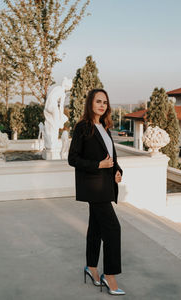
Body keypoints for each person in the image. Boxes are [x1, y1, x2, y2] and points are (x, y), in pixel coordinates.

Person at [68, 89, 125, 296]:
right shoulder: (83, 127)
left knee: (96, 229)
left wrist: (117, 171)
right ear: (90, 103)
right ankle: (109, 276)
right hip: (93, 188)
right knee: (113, 228)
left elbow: (112, 158)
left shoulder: (105, 127)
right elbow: (72, 159)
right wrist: (98, 165)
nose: (102, 105)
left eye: (105, 102)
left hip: (106, 186)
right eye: (98, 101)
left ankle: (91, 267)